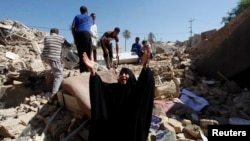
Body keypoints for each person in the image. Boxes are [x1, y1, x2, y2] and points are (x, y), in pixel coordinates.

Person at [82, 49, 155, 141]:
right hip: (115, 132)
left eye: (126, 73)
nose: (123, 75)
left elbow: (145, 85)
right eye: (121, 74)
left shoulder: (135, 89)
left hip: (131, 132)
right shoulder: (114, 88)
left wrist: (145, 66)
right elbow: (99, 87)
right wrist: (92, 70)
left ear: (131, 76)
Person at [41, 28, 71, 100]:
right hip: (53, 57)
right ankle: (54, 93)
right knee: (59, 74)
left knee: (54, 67)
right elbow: (69, 45)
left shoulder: (46, 38)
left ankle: (52, 71)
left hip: (44, 57)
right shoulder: (61, 38)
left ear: (50, 32)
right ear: (58, 33)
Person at [71, 5, 93, 73]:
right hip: (86, 34)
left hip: (78, 35)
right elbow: (91, 26)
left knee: (81, 54)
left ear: (80, 11)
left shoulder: (77, 16)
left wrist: (75, 38)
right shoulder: (90, 18)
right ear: (87, 11)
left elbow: (73, 27)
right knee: (88, 53)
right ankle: (88, 70)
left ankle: (82, 71)